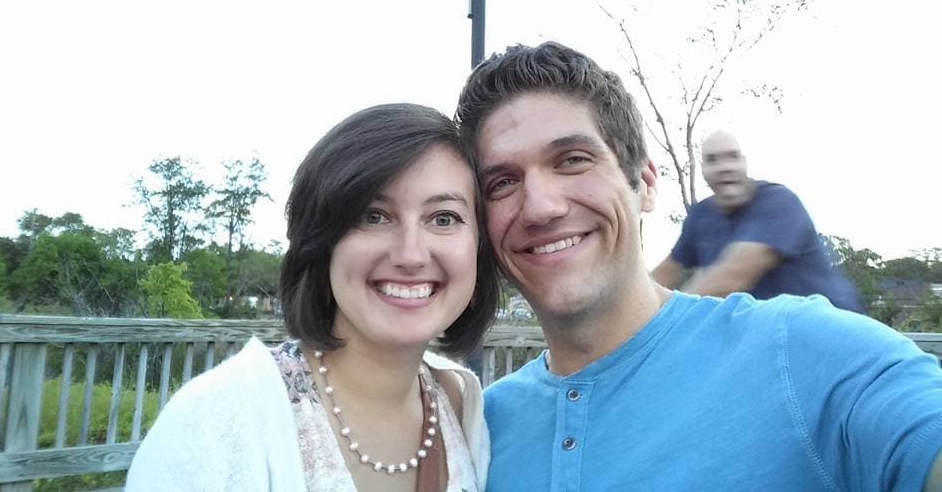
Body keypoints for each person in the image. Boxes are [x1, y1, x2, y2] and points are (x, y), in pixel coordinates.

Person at [455, 41, 942, 491]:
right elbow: (670, 268)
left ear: (645, 183)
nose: (540, 207)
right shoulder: (478, 429)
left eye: (573, 160)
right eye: (502, 183)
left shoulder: (804, 352)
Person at [127, 103, 499, 491]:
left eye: (443, 218)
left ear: (479, 246)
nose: (411, 255)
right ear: (322, 241)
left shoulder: (462, 404)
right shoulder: (216, 422)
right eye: (373, 216)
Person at [651, 129, 863, 312]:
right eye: (713, 160)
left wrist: (664, 317)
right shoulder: (700, 216)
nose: (725, 167)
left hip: (831, 329)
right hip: (769, 334)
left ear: (744, 163)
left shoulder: (779, 202)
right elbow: (663, 274)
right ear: (703, 169)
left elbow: (732, 276)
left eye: (732, 157)